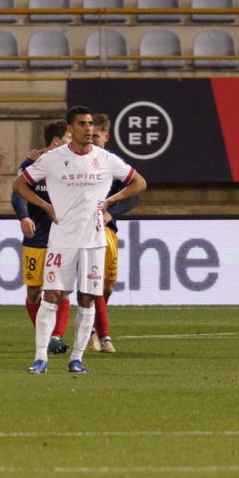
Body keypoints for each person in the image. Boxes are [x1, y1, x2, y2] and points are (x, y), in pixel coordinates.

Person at [14, 106, 146, 374]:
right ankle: (40, 358)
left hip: (94, 240)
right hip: (61, 239)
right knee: (50, 295)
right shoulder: (52, 159)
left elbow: (139, 183)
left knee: (87, 298)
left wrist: (111, 200)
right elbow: (19, 184)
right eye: (82, 124)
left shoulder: (106, 159)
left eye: (90, 124)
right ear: (70, 128)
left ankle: (77, 358)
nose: (88, 129)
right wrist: (45, 206)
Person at [13, 121, 74, 352]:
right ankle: (45, 335)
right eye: (68, 138)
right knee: (33, 291)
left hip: (63, 238)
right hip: (36, 238)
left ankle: (55, 336)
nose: (72, 142)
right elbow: (17, 193)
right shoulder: (31, 164)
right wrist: (22, 216)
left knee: (60, 290)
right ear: (56, 141)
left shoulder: (73, 166)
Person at [90, 113, 139, 352]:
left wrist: (113, 211)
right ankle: (101, 335)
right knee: (95, 283)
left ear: (106, 137)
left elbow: (135, 193)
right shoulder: (82, 162)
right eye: (89, 135)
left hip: (108, 230)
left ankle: (92, 325)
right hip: (86, 231)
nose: (92, 140)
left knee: (108, 286)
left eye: (96, 136)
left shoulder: (112, 163)